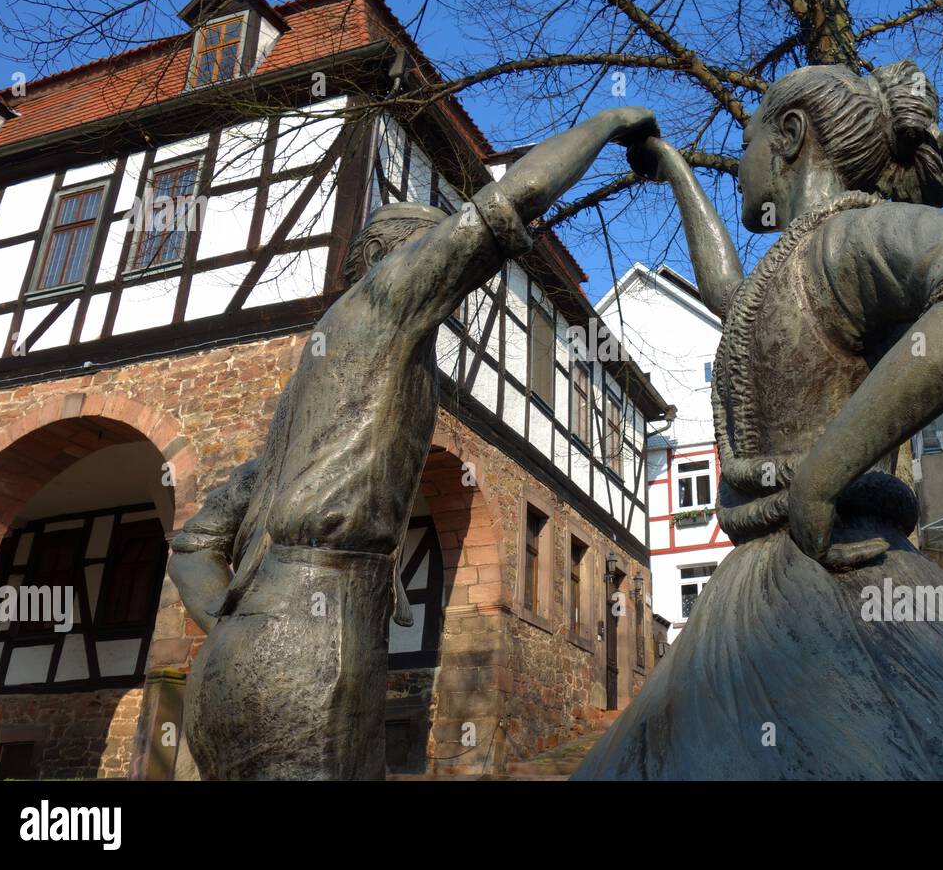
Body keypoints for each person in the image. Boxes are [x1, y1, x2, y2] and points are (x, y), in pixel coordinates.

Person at [574, 63, 943, 779]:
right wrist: (675, 170)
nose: (739, 171)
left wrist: (828, 469)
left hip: (832, 579)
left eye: (744, 144)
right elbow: (728, 291)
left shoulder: (849, 239)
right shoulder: (797, 258)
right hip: (769, 583)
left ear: (788, 136)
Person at [169, 106, 658, 779]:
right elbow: (506, 205)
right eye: (429, 251)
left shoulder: (320, 398)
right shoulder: (382, 303)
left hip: (249, 655)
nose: (448, 275)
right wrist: (608, 125)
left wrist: (231, 621)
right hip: (315, 650)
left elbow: (193, 542)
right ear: (378, 259)